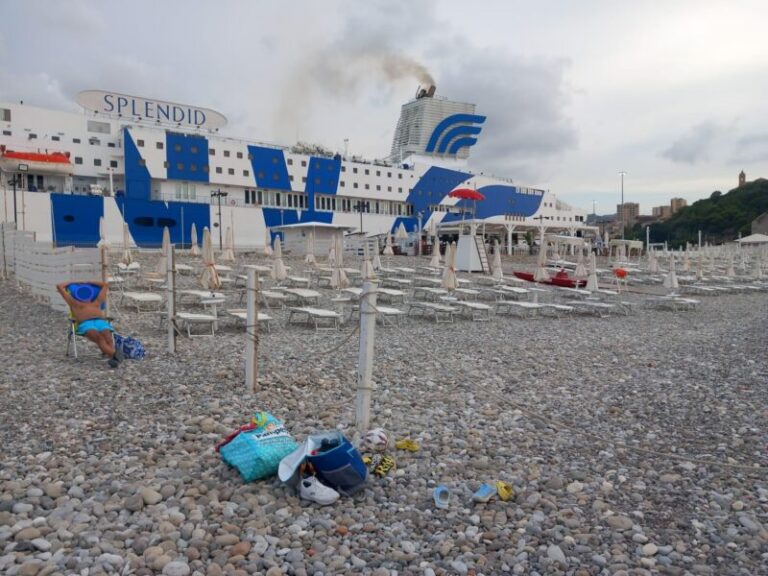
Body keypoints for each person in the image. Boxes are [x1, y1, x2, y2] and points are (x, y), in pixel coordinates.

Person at [56, 280, 122, 368]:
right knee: (99, 338)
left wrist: (87, 282)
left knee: (108, 338)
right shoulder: (74, 303)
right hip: (86, 323)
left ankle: (114, 358)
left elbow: (105, 285)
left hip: (100, 321)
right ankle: (115, 354)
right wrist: (72, 283)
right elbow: (59, 286)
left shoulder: (96, 301)